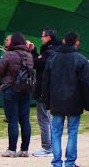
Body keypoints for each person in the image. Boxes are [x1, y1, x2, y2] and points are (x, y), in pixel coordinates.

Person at [42, 31, 89, 167]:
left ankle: (57, 162)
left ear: (64, 41)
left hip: (56, 102)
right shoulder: (81, 59)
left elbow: (45, 83)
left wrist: (47, 102)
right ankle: (70, 162)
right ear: (77, 43)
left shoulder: (52, 59)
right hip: (74, 102)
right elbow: (87, 84)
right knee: (72, 132)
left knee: (56, 132)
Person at [0, 32, 35, 157]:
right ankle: (24, 150)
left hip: (10, 89)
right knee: (25, 120)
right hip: (25, 90)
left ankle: (12, 150)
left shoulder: (8, 55)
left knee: (12, 120)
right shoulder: (29, 55)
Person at [32, 28, 57, 157]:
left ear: (48, 37)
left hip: (44, 89)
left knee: (44, 119)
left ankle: (47, 147)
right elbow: (38, 62)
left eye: (42, 36)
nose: (41, 38)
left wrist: (32, 52)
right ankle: (51, 146)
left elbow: (37, 64)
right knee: (49, 119)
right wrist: (35, 52)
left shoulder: (49, 52)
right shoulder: (54, 51)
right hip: (51, 89)